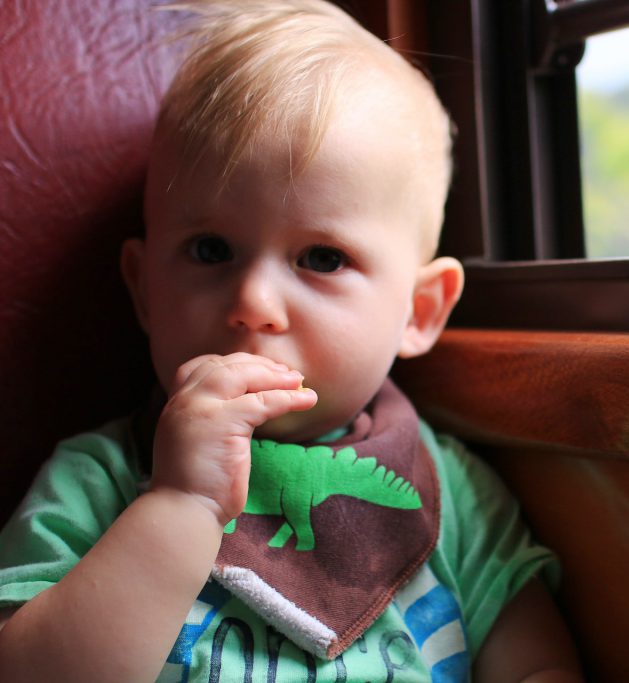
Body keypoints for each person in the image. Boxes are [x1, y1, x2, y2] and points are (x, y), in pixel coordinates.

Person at [0, 1, 581, 681]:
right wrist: (179, 505)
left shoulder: (454, 493)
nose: (254, 302)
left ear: (419, 310)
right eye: (211, 248)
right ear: (143, 289)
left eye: (323, 258)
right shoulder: (98, 478)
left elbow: (538, 667)